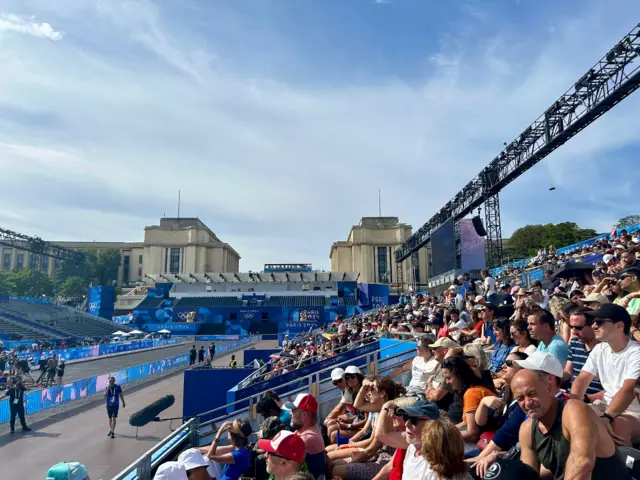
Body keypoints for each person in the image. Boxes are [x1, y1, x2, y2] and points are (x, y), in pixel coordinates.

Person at [513, 369, 631, 480]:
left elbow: (582, 464)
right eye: (520, 398)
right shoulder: (527, 429)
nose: (527, 402)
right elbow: (528, 476)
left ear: (548, 387)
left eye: (532, 393)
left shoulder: (573, 410)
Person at [570, 303, 640, 446]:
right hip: (606, 406)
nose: (594, 326)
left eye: (600, 322)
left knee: (618, 426)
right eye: (593, 322)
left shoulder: (636, 353)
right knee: (576, 417)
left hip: (633, 412)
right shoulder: (600, 349)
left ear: (619, 325)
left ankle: (625, 467)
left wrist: (607, 417)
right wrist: (574, 403)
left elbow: (629, 390)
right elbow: (582, 379)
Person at [562, 307, 603, 397]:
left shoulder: (606, 349)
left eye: (578, 328)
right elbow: (568, 372)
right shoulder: (574, 343)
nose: (573, 331)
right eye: (571, 327)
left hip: (594, 402)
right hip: (571, 395)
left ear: (593, 325)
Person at [284, 393, 326, 478]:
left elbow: (283, 457)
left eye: (293, 410)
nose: (290, 413)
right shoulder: (302, 431)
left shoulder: (308, 438)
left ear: (304, 415)